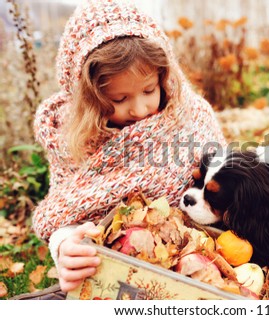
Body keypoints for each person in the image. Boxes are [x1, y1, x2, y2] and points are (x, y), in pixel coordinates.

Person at [32, 0, 226, 294]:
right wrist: (66, 246)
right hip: (118, 273)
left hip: (200, 266)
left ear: (164, 77)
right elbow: (66, 213)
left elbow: (225, 182)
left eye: (149, 90)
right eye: (119, 100)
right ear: (88, 100)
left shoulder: (191, 118)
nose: (139, 109)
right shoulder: (72, 139)